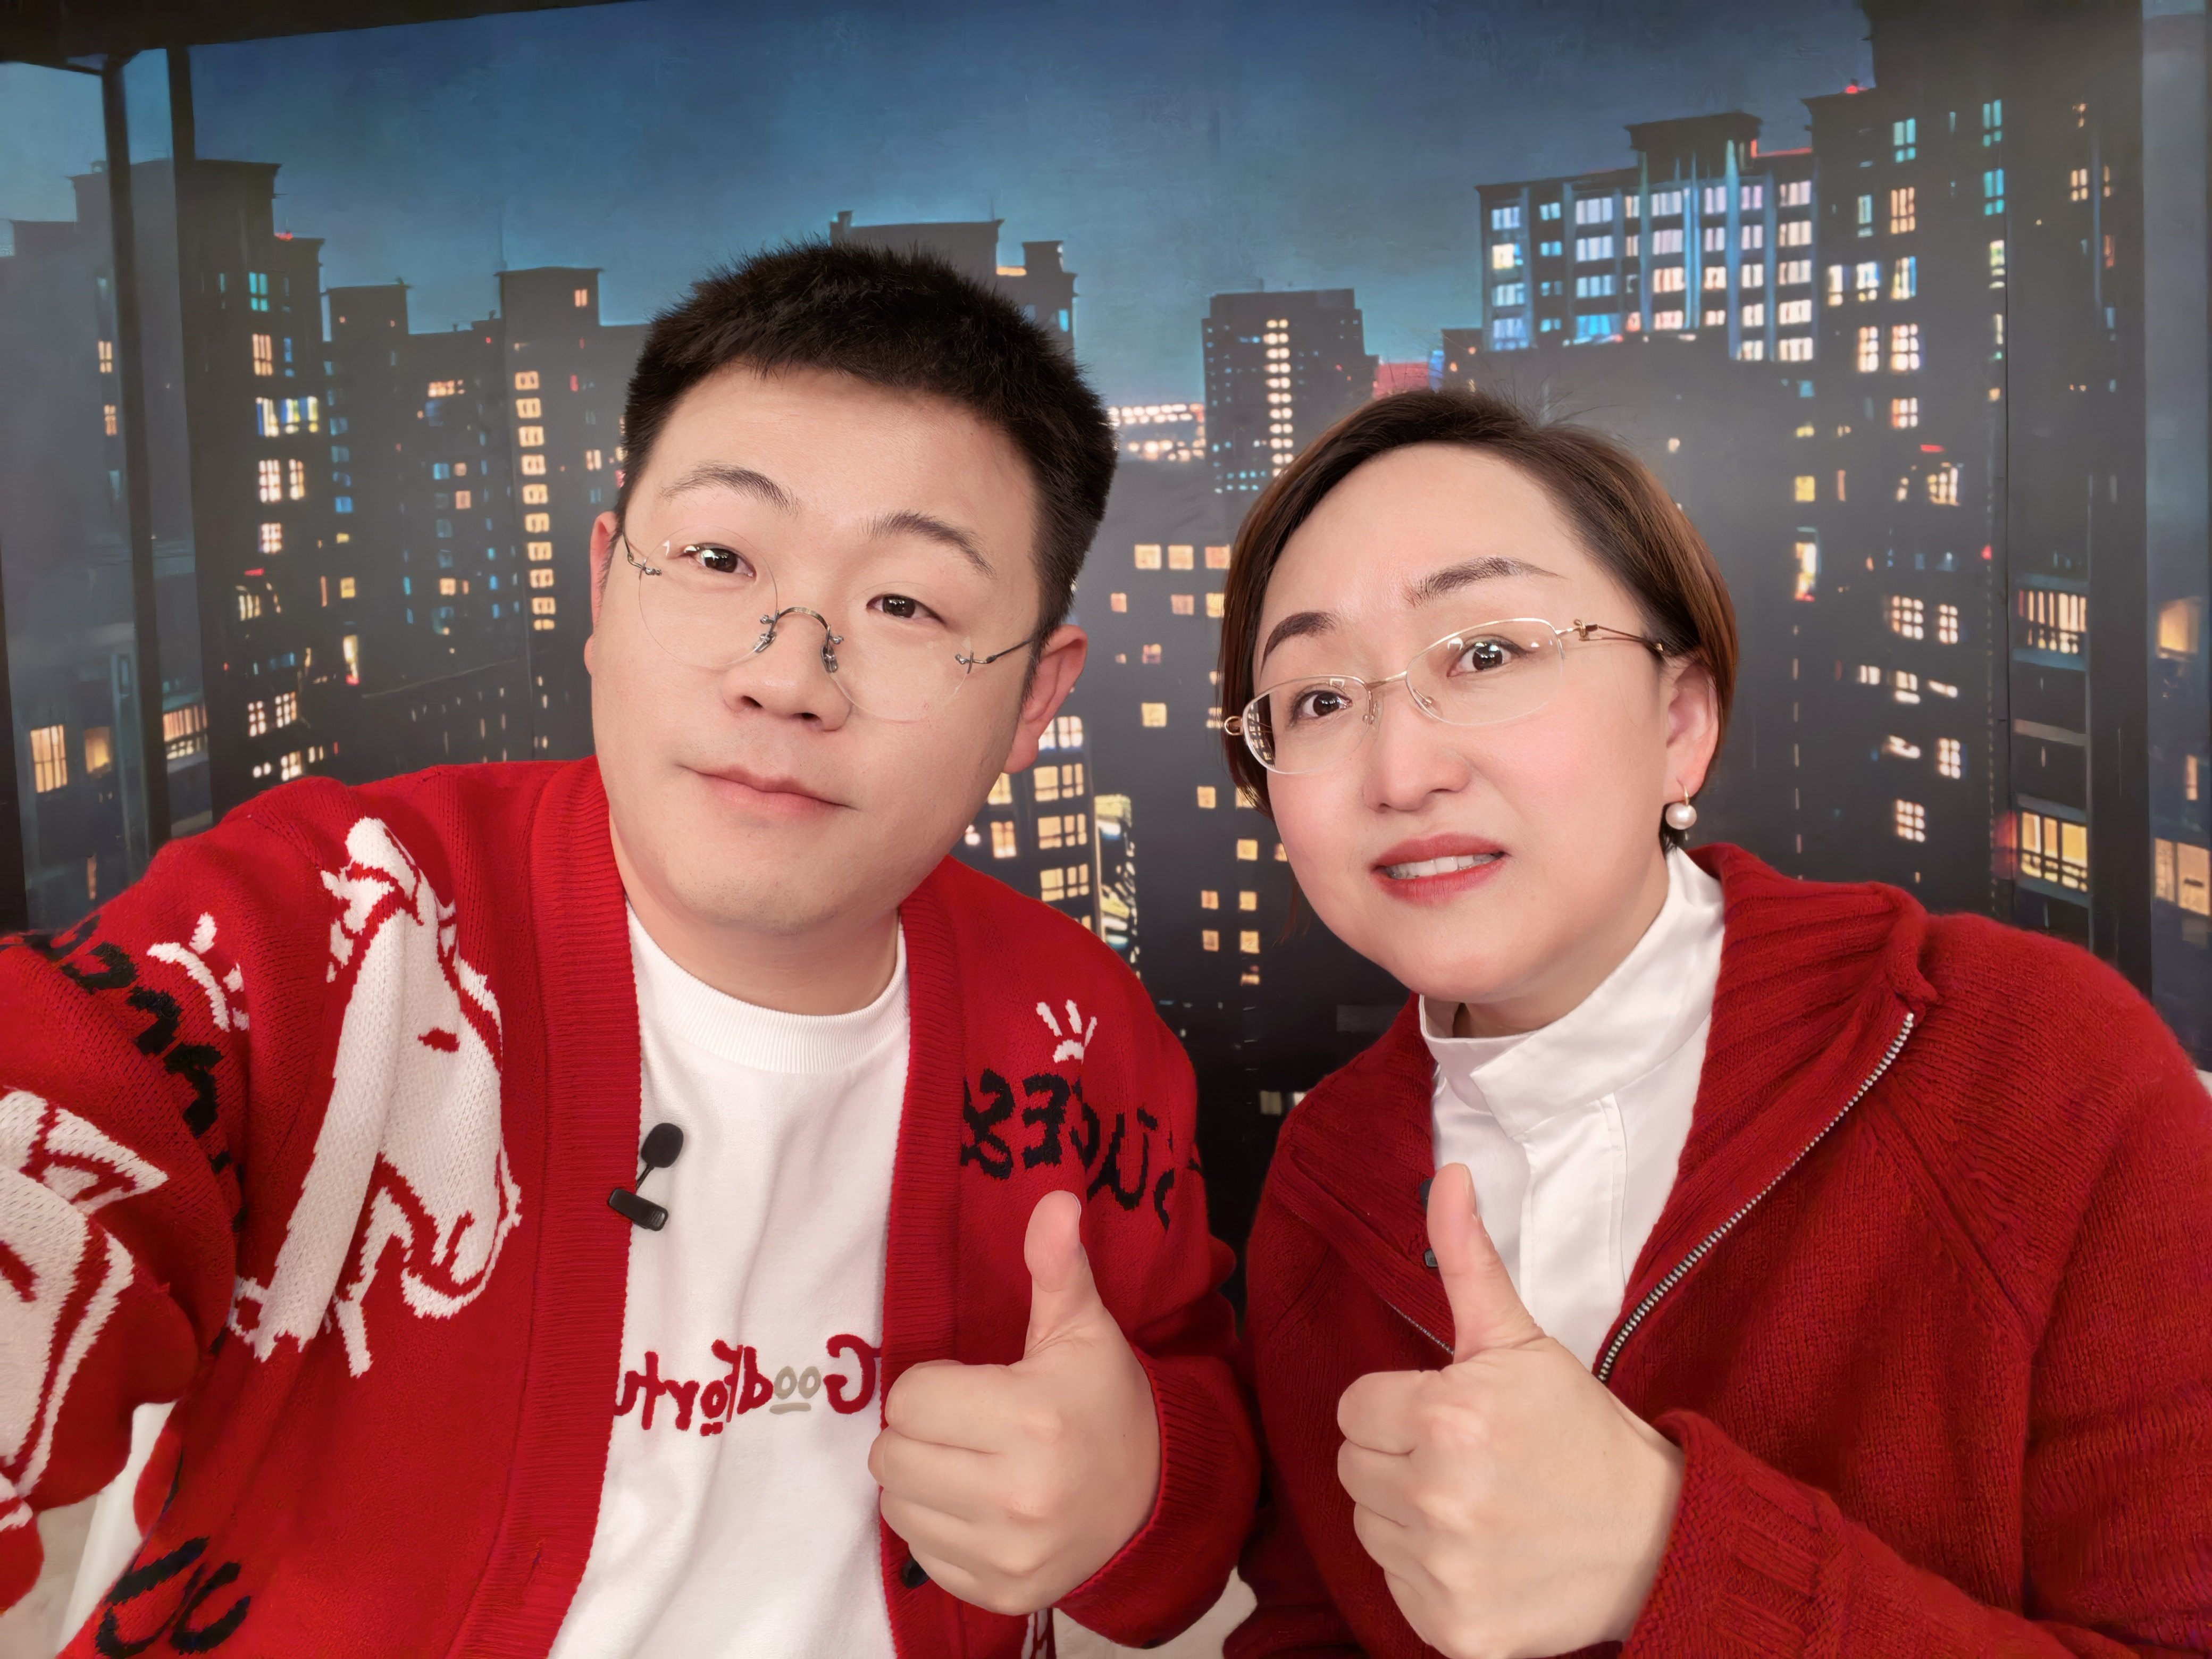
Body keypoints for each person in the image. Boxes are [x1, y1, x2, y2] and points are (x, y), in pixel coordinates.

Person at [0, 242, 1257, 1658]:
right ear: (606, 585)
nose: (785, 677)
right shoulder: (336, 925)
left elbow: (1193, 1461)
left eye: (906, 606)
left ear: (1034, 699)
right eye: (719, 560)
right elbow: (61, 1120)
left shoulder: (1082, 1035)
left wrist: (1138, 1487)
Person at [1216, 388, 2212, 1658]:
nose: (1400, 771)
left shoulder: (2031, 1061)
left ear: (1678, 723)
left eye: (1486, 654)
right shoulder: (1325, 1178)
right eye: (1315, 699)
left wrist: (1669, 1558)